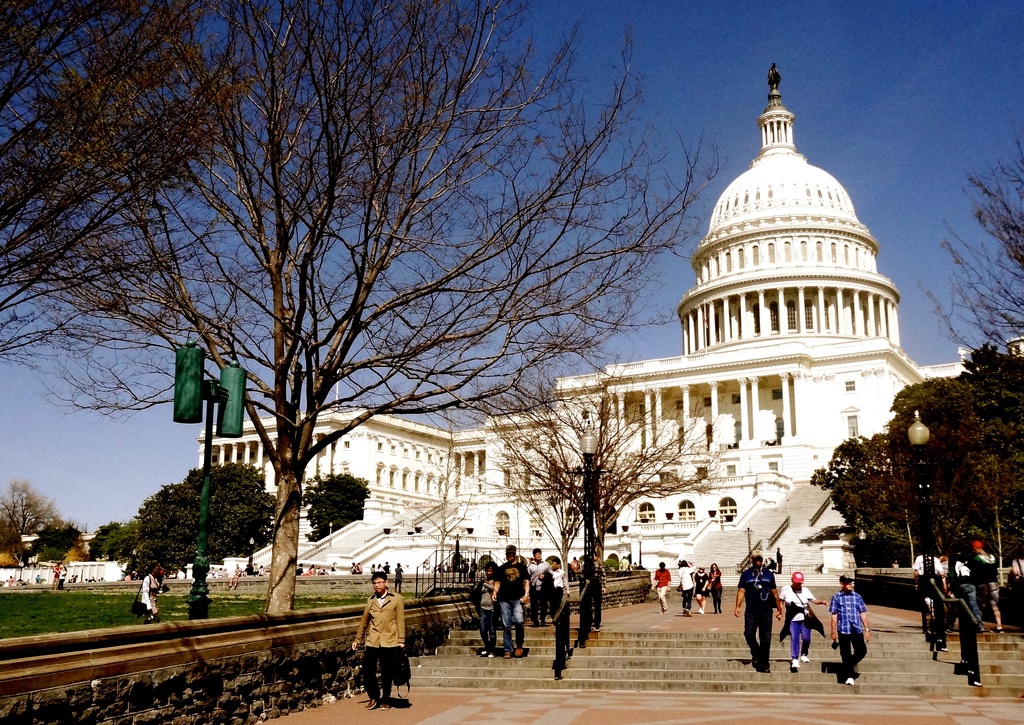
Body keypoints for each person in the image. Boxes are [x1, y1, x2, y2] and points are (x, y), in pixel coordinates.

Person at [352, 571, 405, 711]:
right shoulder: (371, 600)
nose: (377, 585)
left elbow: (400, 621)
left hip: (389, 640)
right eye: (374, 583)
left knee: (387, 672)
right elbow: (364, 621)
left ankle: (386, 699)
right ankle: (374, 697)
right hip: (373, 641)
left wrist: (401, 640)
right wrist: (358, 639)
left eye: (379, 582)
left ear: (386, 582)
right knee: (367, 670)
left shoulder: (396, 599)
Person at [734, 552, 784, 673]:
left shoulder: (768, 574)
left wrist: (779, 608)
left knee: (765, 638)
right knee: (749, 634)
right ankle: (756, 653)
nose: (758, 561)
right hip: (751, 610)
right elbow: (741, 591)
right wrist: (737, 606)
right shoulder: (746, 574)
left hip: (766, 610)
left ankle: (764, 664)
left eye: (760, 559)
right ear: (752, 560)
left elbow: (774, 592)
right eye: (756, 559)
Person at [779, 571, 826, 672]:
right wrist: (780, 611)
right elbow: (780, 601)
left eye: (800, 583)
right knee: (794, 638)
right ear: (792, 581)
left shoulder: (805, 590)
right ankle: (795, 658)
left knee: (806, 638)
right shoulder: (786, 589)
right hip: (792, 619)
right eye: (797, 582)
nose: (798, 584)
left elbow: (814, 600)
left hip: (805, 619)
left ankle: (804, 654)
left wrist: (821, 602)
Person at [829, 575, 870, 685]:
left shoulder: (857, 596)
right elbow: (834, 615)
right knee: (845, 653)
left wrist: (866, 629)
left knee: (862, 650)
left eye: (850, 582)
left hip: (856, 628)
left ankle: (850, 665)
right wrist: (833, 631)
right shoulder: (837, 597)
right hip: (843, 628)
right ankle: (849, 675)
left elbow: (862, 613)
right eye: (847, 583)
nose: (849, 584)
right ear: (841, 584)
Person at [493, 544, 530, 659]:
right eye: (508, 554)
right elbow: (498, 582)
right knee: (506, 624)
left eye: (512, 554)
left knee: (519, 621)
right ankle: (507, 649)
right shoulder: (502, 568)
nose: (510, 556)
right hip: (504, 599)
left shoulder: (522, 567)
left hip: (517, 599)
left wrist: (526, 595)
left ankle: (519, 645)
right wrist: (495, 592)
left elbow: (526, 582)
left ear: (515, 554)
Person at [970, 539, 1003, 633]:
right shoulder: (993, 557)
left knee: (980, 605)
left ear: (977, 548)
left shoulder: (976, 559)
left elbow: (974, 572)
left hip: (982, 584)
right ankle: (999, 625)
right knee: (994, 605)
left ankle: (979, 625)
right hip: (994, 583)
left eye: (974, 549)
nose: (973, 551)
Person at [474, 562, 497, 657]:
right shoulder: (482, 583)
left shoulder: (496, 582)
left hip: (493, 609)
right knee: (483, 630)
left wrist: (486, 584)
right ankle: (487, 646)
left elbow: (494, 589)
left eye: (490, 571)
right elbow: (476, 594)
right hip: (483, 608)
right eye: (486, 571)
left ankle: (492, 649)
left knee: (492, 630)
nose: (488, 573)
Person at [527, 548, 551, 626]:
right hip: (534, 587)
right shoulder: (530, 566)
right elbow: (527, 576)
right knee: (533, 605)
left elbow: (551, 574)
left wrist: (544, 575)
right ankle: (535, 620)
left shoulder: (546, 564)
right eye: (537, 554)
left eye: (539, 554)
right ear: (534, 555)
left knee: (544, 604)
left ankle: (543, 619)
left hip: (543, 587)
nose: (539, 555)